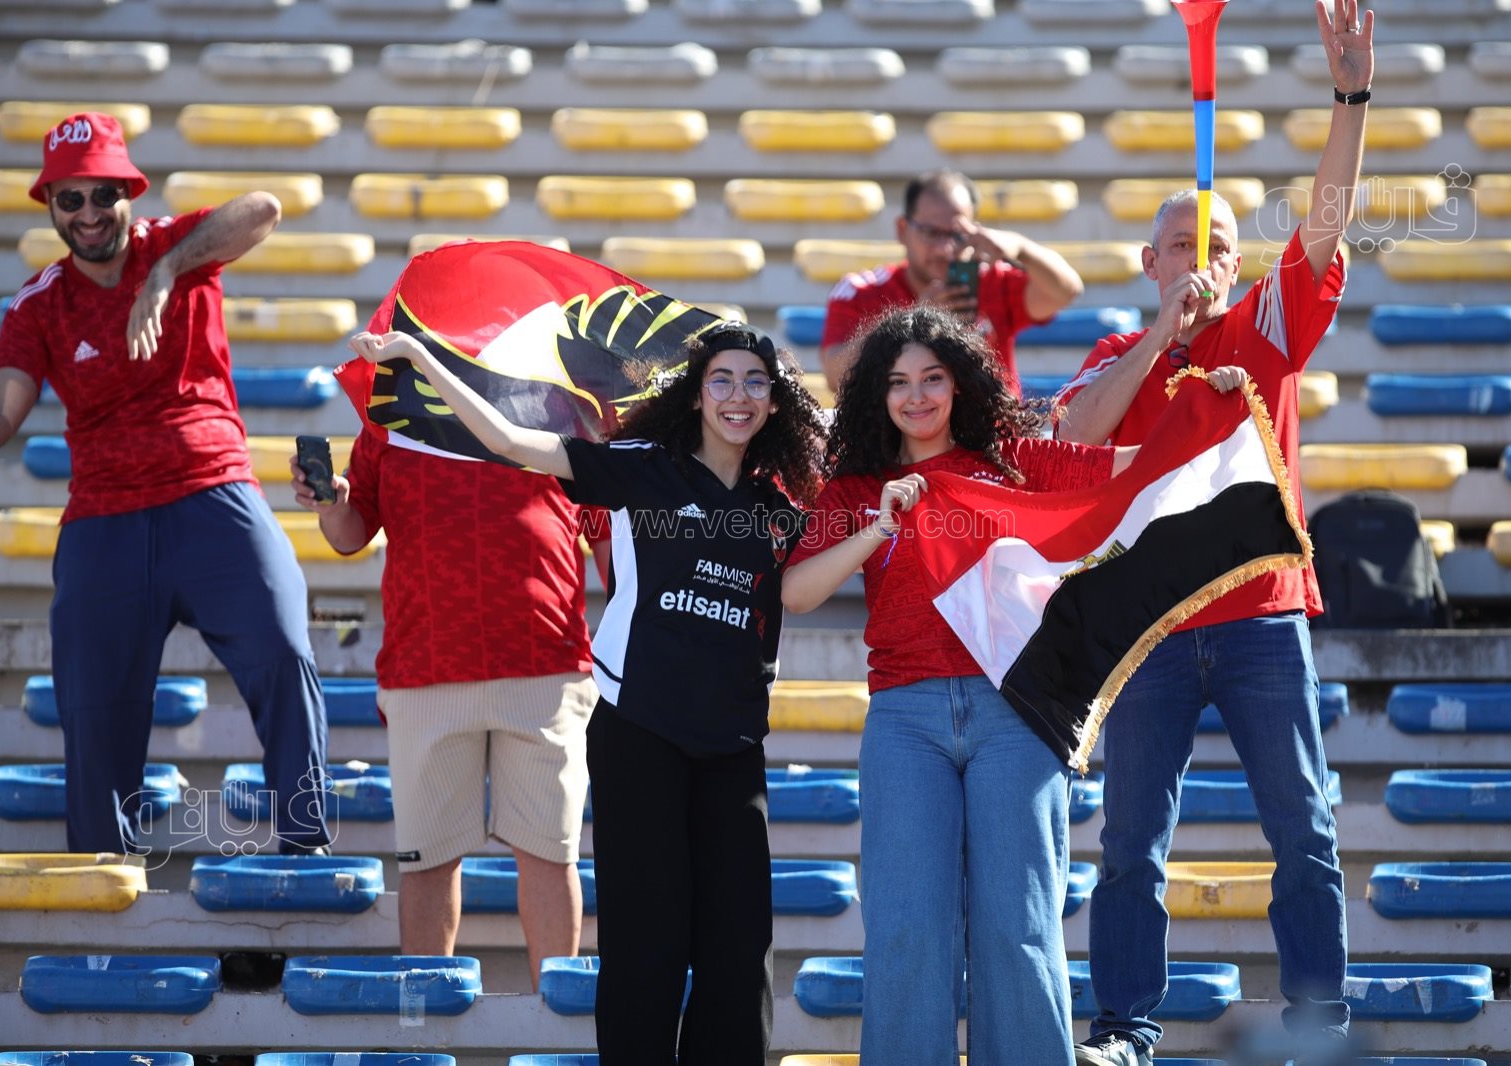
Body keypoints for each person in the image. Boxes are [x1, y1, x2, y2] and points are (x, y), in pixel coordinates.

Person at [347, 320, 826, 1066]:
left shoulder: (780, 505)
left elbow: (805, 584)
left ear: (773, 400)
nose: (738, 395)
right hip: (641, 731)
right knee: (647, 946)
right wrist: (422, 357)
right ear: (696, 395)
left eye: (755, 382)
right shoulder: (640, 467)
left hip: (734, 743)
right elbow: (509, 441)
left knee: (740, 956)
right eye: (722, 380)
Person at [1050, 5, 1374, 1063]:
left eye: (1220, 245)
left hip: (1261, 617)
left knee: (1305, 833)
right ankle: (1124, 1030)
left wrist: (1350, 99)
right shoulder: (1116, 353)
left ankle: (1318, 1026)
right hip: (1149, 627)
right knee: (1130, 846)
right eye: (1184, 245)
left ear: (1238, 266)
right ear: (1148, 260)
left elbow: (1324, 219)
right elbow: (1080, 431)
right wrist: (1164, 335)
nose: (1202, 258)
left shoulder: (1266, 328)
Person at [783, 308, 1165, 1065]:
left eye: (933, 378)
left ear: (959, 385)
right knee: (906, 928)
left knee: (1019, 926)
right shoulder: (855, 487)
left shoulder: (1016, 464)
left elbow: (1138, 470)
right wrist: (878, 527)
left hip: (1015, 713)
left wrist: (1212, 408)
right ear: (878, 394)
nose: (916, 396)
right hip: (904, 719)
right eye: (899, 383)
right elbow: (797, 592)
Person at [0, 111, 330, 854]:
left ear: (129, 192)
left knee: (283, 647)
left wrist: (167, 273)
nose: (88, 213)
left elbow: (263, 208)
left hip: (212, 493)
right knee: (91, 705)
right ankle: (102, 870)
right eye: (69, 199)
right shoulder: (38, 302)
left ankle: (305, 849)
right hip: (105, 516)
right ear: (49, 206)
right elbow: (4, 409)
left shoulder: (176, 246)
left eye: (103, 194)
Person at [290, 299, 605, 985]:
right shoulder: (388, 417)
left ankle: (558, 1030)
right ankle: (422, 1030)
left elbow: (607, 535)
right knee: (427, 864)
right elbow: (351, 532)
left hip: (544, 663)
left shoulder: (561, 404)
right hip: (426, 666)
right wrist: (331, 502)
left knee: (550, 857)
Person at [819, 167, 1084, 396]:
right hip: (900, 437)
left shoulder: (992, 280)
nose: (944, 249)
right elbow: (835, 376)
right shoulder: (861, 290)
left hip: (993, 434)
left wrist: (1021, 247)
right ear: (902, 229)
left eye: (957, 235)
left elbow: (1066, 291)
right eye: (931, 232)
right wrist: (912, 322)